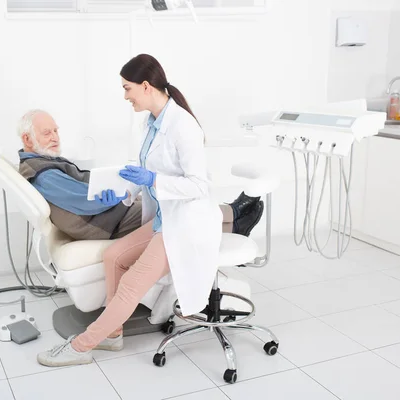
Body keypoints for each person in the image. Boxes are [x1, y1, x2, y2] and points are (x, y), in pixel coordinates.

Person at [36, 54, 260, 367]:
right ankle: (111, 334)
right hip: (163, 219)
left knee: (130, 285)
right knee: (113, 257)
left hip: (185, 225)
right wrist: (123, 193)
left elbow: (198, 186)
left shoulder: (184, 127)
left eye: (127, 88)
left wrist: (155, 179)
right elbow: (142, 171)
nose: (125, 95)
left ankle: (81, 346)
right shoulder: (150, 123)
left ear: (145, 86)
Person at [17, 110, 264, 241]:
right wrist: (117, 195)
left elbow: (82, 191)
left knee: (162, 195)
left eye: (56, 131)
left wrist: (119, 183)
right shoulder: (43, 174)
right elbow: (85, 200)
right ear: (27, 139)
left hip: (103, 216)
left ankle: (234, 218)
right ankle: (234, 219)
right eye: (47, 133)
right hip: (103, 223)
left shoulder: (42, 162)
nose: (55, 137)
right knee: (172, 207)